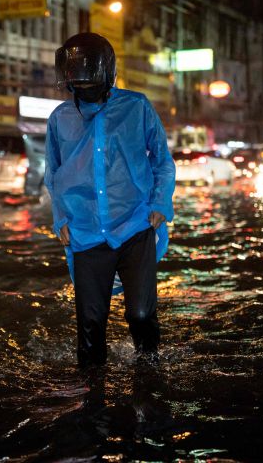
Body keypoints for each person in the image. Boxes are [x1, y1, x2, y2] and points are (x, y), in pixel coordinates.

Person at [45, 32, 176, 368]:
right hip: (85, 232)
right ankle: (92, 402)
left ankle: (151, 372)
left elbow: (162, 160)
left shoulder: (137, 106)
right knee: (89, 328)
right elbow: (54, 173)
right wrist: (60, 218)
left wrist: (160, 204)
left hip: (135, 225)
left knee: (141, 314)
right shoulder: (59, 119)